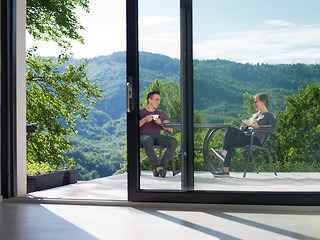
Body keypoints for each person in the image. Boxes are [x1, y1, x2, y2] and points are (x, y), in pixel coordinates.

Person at [210, 93, 277, 177]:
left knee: (230, 131)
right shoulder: (255, 116)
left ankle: (223, 153)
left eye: (256, 101)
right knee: (229, 140)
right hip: (247, 136)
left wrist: (258, 127)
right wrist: (244, 127)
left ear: (263, 102)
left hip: (255, 139)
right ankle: (225, 170)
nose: (254, 103)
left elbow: (273, 128)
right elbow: (245, 129)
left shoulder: (269, 116)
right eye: (254, 102)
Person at [140, 91, 178, 177]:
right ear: (149, 100)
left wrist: (161, 123)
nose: (159, 102)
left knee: (173, 141)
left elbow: (170, 129)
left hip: (157, 138)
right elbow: (133, 126)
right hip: (143, 138)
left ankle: (161, 167)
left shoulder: (161, 113)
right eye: (156, 100)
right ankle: (156, 167)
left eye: (159, 100)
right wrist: (145, 120)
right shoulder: (140, 112)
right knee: (147, 140)